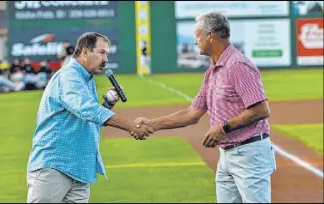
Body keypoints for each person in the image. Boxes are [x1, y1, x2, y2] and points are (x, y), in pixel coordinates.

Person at [133, 12, 276, 203]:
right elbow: (192, 114)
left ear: (211, 35)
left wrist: (224, 127)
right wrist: (151, 124)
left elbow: (261, 110)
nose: (195, 41)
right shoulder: (212, 71)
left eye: (197, 35)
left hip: (249, 155)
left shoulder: (238, 65)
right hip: (226, 156)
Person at [26, 32, 153, 203]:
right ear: (85, 52)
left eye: (107, 53)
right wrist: (131, 126)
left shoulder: (87, 80)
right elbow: (87, 109)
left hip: (80, 170)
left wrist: (107, 103)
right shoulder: (68, 76)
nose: (105, 59)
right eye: (102, 53)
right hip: (55, 166)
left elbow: (89, 122)